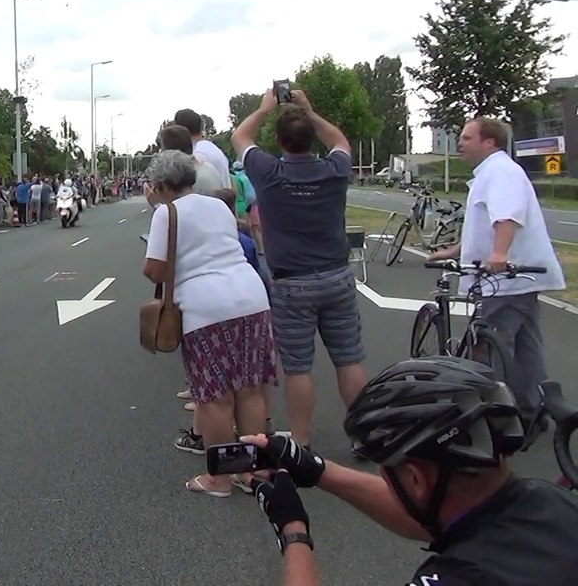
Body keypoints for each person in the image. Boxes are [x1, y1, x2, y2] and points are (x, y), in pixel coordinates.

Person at [244, 356, 578, 585]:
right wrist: (316, 469)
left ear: (416, 479)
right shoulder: (550, 502)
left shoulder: (463, 576)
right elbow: (435, 518)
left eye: (388, 471)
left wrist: (293, 531)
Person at [232, 88, 365, 448]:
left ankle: (302, 442)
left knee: (298, 368)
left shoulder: (269, 174)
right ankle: (363, 436)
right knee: (349, 360)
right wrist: (310, 109)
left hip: (292, 283)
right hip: (337, 275)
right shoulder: (335, 170)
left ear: (278, 141)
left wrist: (263, 109)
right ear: (311, 140)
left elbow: (240, 137)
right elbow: (339, 139)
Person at [142, 151, 277, 495]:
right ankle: (253, 472)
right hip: (251, 298)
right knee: (250, 389)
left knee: (215, 398)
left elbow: (155, 270)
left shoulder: (165, 214)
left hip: (207, 309)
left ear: (159, 184)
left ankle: (220, 478)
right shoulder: (218, 206)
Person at [427, 117, 564, 423]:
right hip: (517, 281)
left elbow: (506, 215)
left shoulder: (500, 172)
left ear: (490, 142)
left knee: (489, 345)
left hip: (504, 281)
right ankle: (532, 409)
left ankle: (495, 418)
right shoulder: (494, 172)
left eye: (466, 138)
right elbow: (486, 224)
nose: (460, 143)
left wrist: (500, 253)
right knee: (527, 347)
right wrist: (455, 251)